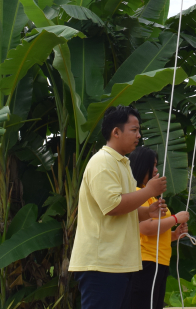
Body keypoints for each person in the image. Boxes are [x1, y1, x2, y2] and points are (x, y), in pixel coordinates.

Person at [68, 105, 168, 309]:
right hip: (102, 263)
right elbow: (112, 206)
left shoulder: (122, 164)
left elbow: (126, 208)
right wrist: (148, 191)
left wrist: (147, 211)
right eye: (134, 130)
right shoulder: (102, 162)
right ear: (116, 132)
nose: (139, 135)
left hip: (117, 263)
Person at [121, 146, 191, 309]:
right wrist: (175, 218)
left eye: (155, 165)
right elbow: (146, 228)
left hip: (158, 262)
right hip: (146, 262)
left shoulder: (149, 197)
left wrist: (174, 235)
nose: (155, 170)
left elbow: (154, 231)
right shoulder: (137, 193)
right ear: (141, 166)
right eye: (151, 165)